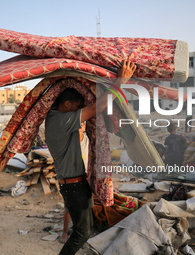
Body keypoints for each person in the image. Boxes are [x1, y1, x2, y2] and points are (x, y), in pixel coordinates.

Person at [45, 59, 136, 255]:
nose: (80, 111)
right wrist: (120, 82)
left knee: (84, 229)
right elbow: (96, 108)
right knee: (82, 232)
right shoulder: (60, 120)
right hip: (73, 186)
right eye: (78, 107)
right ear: (67, 104)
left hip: (75, 183)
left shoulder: (57, 118)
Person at [61, 122, 89, 244]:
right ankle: (65, 232)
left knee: (86, 205)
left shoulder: (88, 140)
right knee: (69, 206)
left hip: (86, 175)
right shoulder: (68, 141)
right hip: (72, 178)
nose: (79, 127)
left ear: (84, 127)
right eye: (77, 125)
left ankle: (82, 231)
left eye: (82, 125)